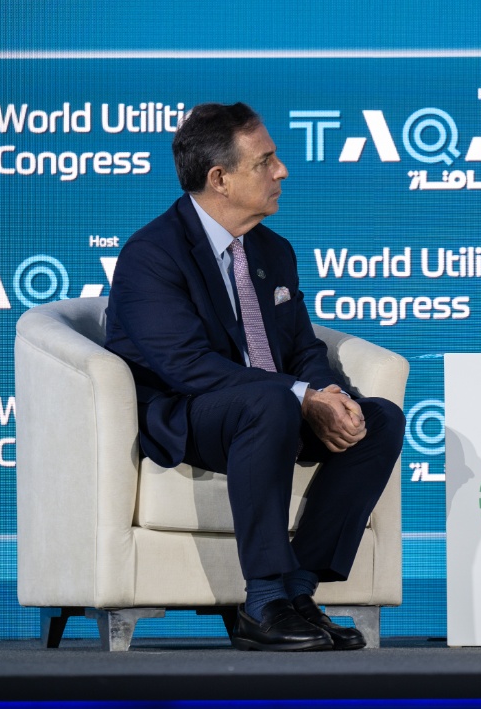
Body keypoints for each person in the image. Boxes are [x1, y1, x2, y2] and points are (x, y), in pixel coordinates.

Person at [105, 102, 405, 652]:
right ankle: (262, 600)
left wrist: (328, 393)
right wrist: (299, 396)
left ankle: (298, 592)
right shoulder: (152, 254)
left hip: (271, 407)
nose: (281, 171)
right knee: (271, 403)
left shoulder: (273, 250)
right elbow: (187, 366)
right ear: (219, 178)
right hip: (191, 413)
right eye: (265, 161)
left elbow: (302, 347)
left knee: (379, 419)